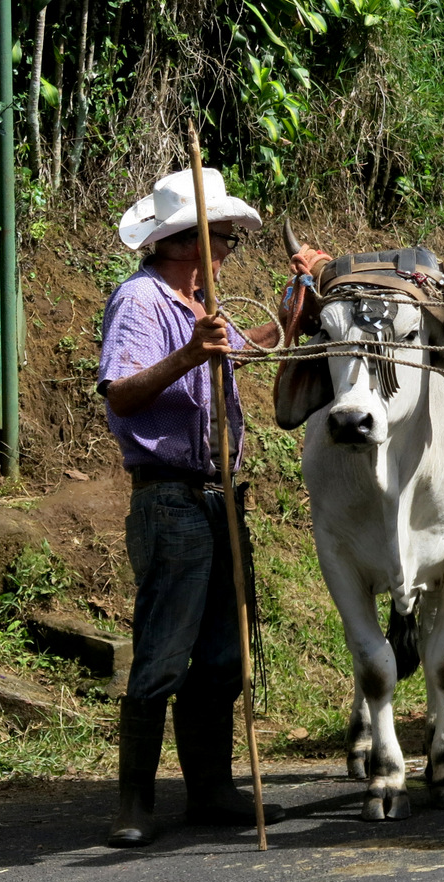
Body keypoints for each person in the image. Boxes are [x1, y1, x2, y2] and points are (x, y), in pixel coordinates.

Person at [98, 167, 285, 847]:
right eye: (225, 237)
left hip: (219, 498)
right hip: (171, 499)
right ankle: (133, 804)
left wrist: (289, 318)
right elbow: (121, 394)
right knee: (164, 653)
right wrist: (185, 357)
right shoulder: (141, 301)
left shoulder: (201, 303)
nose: (231, 247)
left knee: (224, 656)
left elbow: (239, 351)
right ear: (184, 241)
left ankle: (211, 790)